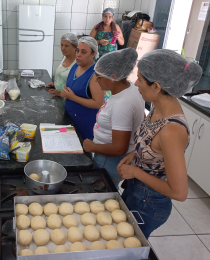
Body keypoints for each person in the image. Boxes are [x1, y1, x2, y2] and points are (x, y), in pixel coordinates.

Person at [117, 49, 202, 238]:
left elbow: (179, 192)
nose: (136, 83)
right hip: (135, 190)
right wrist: (134, 155)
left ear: (156, 86)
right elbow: (150, 144)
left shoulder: (172, 131)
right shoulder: (156, 107)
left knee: (129, 246)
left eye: (139, 79)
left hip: (149, 203)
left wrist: (136, 172)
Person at [82, 48, 145, 190]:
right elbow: (143, 121)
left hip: (109, 159)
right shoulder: (131, 89)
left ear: (114, 77)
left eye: (99, 77)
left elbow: (119, 148)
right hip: (108, 154)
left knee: (102, 192)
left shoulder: (122, 103)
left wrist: (91, 147)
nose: (96, 81)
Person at [62, 36, 105, 140]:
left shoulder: (95, 75)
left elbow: (98, 103)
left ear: (93, 54)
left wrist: (73, 97)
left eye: (84, 52)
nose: (78, 55)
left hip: (84, 124)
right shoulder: (75, 66)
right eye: (77, 51)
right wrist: (64, 91)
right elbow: (69, 85)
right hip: (69, 117)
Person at [46, 33, 77, 97]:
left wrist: (61, 93)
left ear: (75, 47)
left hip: (67, 99)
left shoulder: (77, 63)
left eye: (66, 46)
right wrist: (56, 84)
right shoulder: (64, 57)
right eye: (61, 45)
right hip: (57, 95)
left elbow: (76, 88)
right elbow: (63, 76)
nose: (63, 48)